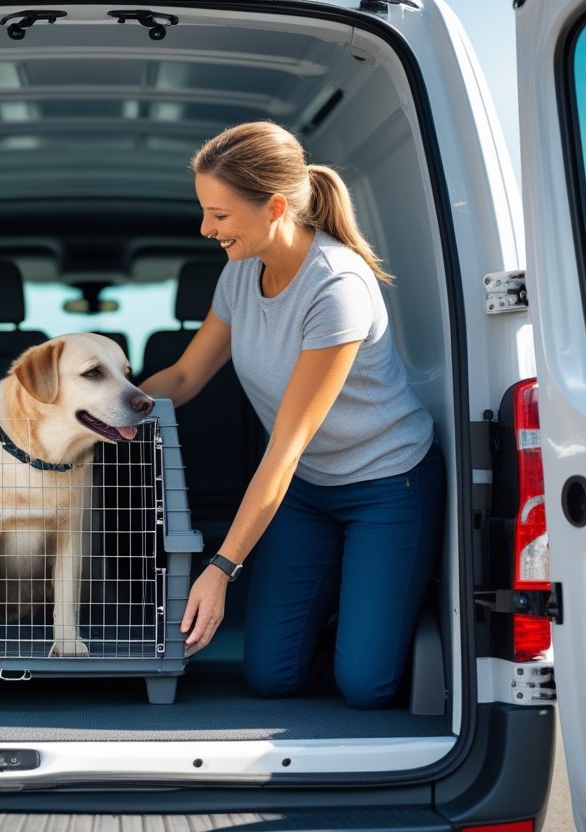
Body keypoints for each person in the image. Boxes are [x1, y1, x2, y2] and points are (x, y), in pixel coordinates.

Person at [141, 120, 444, 709]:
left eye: (220, 216)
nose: (206, 229)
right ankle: (350, 612)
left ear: (275, 206)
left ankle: (382, 610)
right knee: (271, 677)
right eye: (205, 211)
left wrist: (221, 568)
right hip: (306, 492)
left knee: (366, 686)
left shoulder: (336, 287)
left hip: (387, 485)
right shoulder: (238, 274)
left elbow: (286, 445)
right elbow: (183, 377)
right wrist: (108, 414)